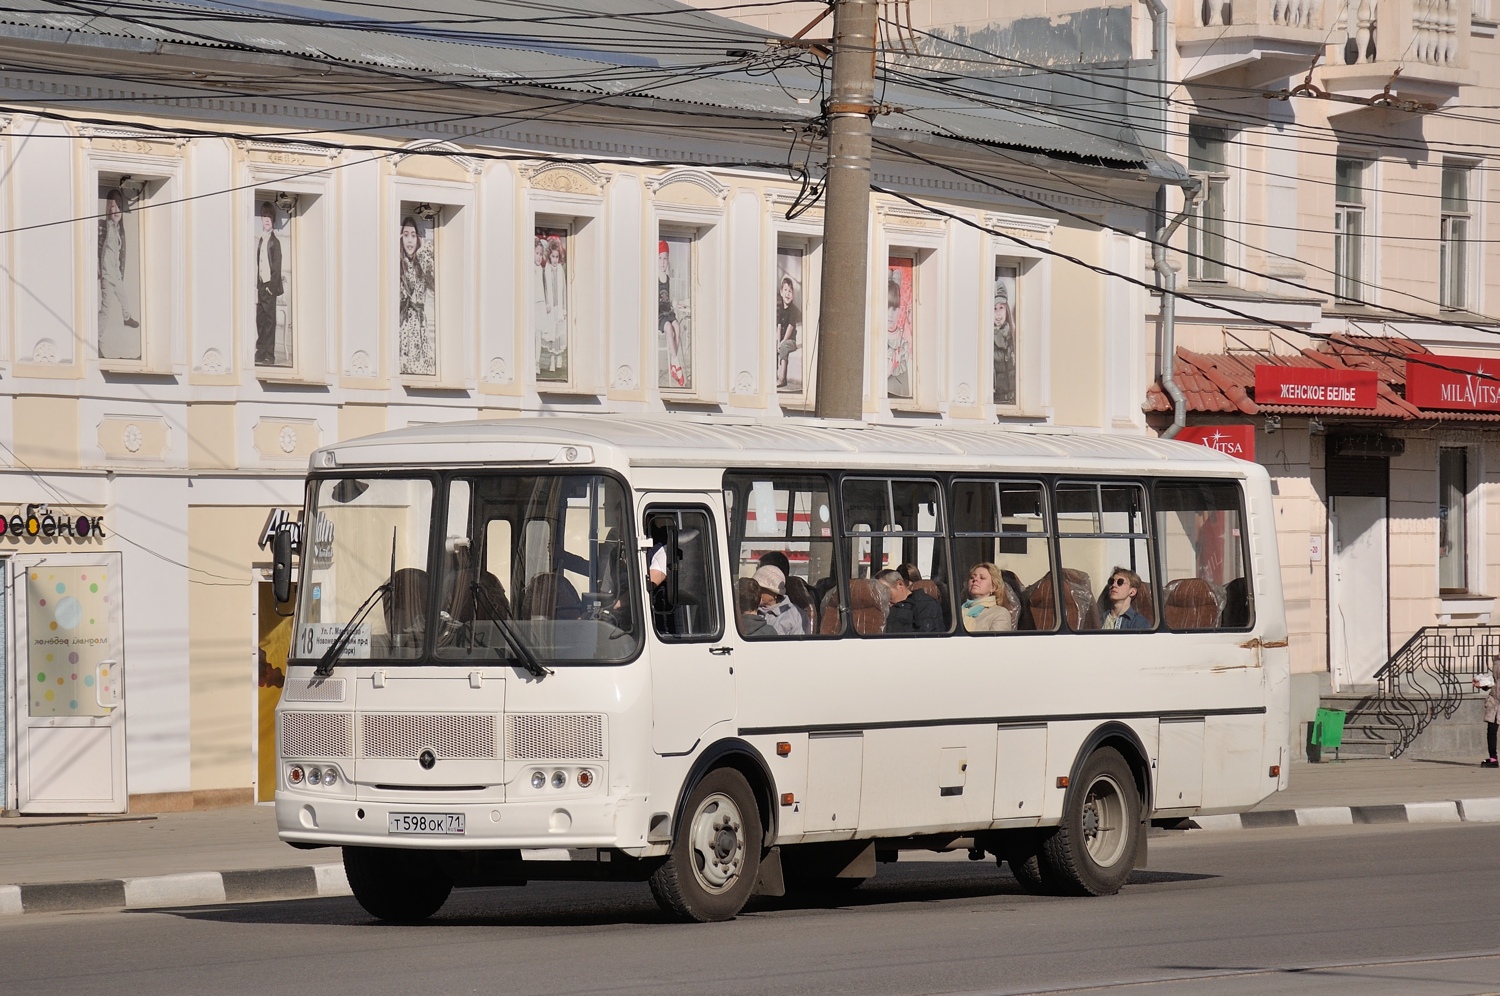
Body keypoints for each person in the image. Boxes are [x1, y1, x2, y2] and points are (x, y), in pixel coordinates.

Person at [98, 187, 140, 359]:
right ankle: (97, 339)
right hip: (107, 275)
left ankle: (127, 317)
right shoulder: (105, 226)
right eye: (112, 207)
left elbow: (122, 253)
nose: (116, 211)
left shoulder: (119, 230)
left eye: (119, 207)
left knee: (124, 297)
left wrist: (121, 272)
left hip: (116, 274)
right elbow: (99, 247)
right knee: (106, 308)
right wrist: (98, 269)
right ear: (108, 209)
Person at [398, 216, 436, 375]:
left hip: (419, 324)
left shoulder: (422, 261)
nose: (409, 240)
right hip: (402, 323)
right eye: (406, 235)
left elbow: (434, 285)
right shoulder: (398, 264)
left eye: (413, 235)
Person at [255, 201, 284, 366]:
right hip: (261, 286)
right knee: (260, 320)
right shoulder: (261, 240)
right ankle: (260, 352)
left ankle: (269, 355)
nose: (266, 219)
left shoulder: (275, 242)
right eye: (264, 216)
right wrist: (259, 285)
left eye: (269, 216)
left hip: (269, 288)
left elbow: (277, 268)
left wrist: (270, 289)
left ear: (273, 220)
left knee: (269, 321)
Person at [877, 569, 943, 634]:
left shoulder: (925, 604)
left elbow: (926, 636)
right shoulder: (881, 608)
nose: (883, 596)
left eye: (885, 591)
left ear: (900, 584)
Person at [658, 240, 686, 388]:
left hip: (667, 310)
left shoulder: (667, 278)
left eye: (665, 258)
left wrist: (675, 304)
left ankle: (674, 363)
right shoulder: (655, 277)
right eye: (660, 258)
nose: (662, 262)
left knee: (677, 326)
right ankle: (676, 364)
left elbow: (667, 298)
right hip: (658, 314)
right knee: (668, 327)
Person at [752, 564, 805, 636]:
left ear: (775, 593)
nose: (756, 592)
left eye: (761, 589)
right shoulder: (749, 608)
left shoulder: (794, 615)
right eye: (754, 588)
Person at [960, 563, 1013, 632]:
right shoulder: (957, 611)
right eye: (972, 577)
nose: (975, 579)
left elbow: (997, 642)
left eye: (982, 578)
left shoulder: (1000, 613)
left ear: (993, 587)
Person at [540, 236, 567, 374]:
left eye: (557, 257)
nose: (555, 260)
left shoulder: (560, 270)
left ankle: (559, 357)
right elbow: (545, 289)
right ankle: (551, 358)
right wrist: (547, 304)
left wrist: (564, 308)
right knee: (551, 333)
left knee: (559, 333)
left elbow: (563, 290)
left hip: (559, 307)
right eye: (553, 257)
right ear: (549, 256)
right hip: (551, 307)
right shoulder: (547, 270)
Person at [992, 277, 1016, 406]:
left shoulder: (1013, 336)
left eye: (1001, 307)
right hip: (998, 402)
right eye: (994, 309)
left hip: (1013, 401)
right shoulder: (988, 341)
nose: (998, 314)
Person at [775, 275, 801, 389]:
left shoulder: (793, 310)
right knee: (775, 347)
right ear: (781, 292)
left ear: (793, 295)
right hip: (782, 339)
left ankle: (782, 379)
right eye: (785, 290)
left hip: (791, 341)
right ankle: (773, 376)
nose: (787, 293)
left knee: (784, 346)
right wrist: (777, 341)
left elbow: (790, 327)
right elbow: (779, 327)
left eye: (790, 291)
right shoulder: (781, 310)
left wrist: (783, 341)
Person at [1479, 658, 1500, 768]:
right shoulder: (1496, 661)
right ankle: (1493, 759)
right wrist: (1484, 685)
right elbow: (1495, 681)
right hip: (1494, 701)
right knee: (1491, 730)